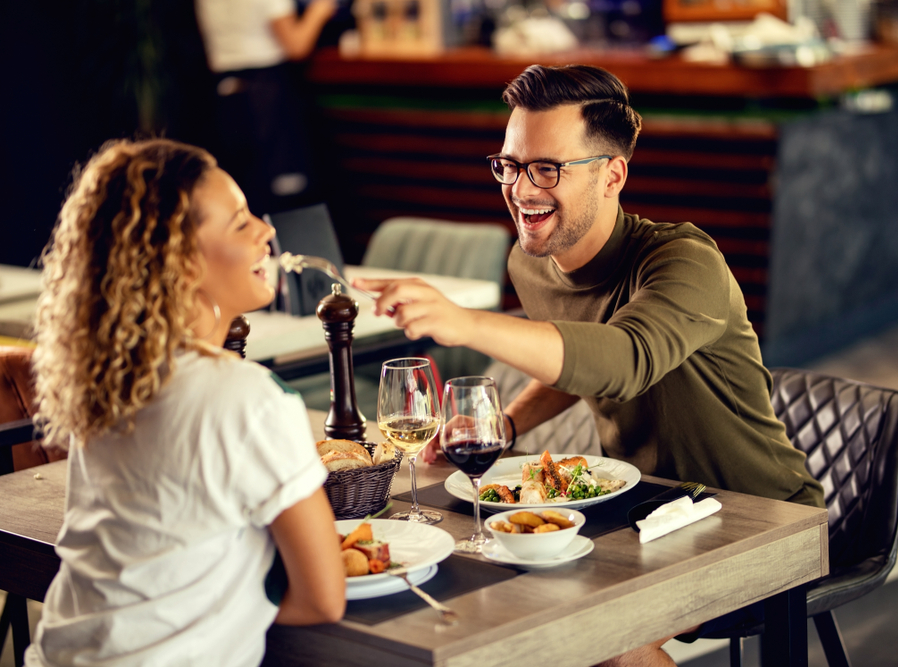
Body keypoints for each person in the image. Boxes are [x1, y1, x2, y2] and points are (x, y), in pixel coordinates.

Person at [355, 64, 824, 666]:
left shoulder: (684, 262)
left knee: (593, 636)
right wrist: (508, 426)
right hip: (642, 510)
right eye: (511, 164)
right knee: (512, 607)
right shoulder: (532, 262)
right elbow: (573, 361)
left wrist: (466, 323)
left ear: (612, 175)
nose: (522, 190)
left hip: (757, 514)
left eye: (547, 168)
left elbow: (623, 360)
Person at [26, 138, 345, 667]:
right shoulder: (248, 399)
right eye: (241, 222)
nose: (267, 230)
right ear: (182, 261)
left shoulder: (110, 381)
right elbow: (323, 597)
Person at [195, 0, 336, 215]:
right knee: (288, 197)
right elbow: (296, 45)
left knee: (244, 195)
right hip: (266, 94)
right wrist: (321, 10)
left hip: (224, 93)